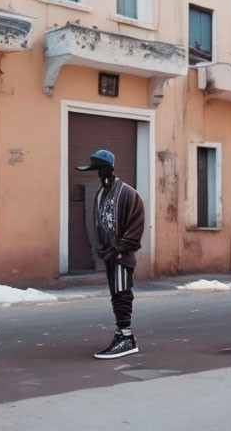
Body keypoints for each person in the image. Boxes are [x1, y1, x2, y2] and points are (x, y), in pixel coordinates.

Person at [76, 149, 145, 359]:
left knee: (122, 293)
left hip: (122, 256)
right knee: (116, 295)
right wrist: (102, 248)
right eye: (98, 171)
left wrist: (120, 247)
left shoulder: (127, 194)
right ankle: (121, 333)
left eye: (103, 170)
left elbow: (136, 225)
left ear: (112, 170)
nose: (100, 175)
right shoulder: (101, 194)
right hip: (109, 255)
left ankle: (126, 337)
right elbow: (99, 224)